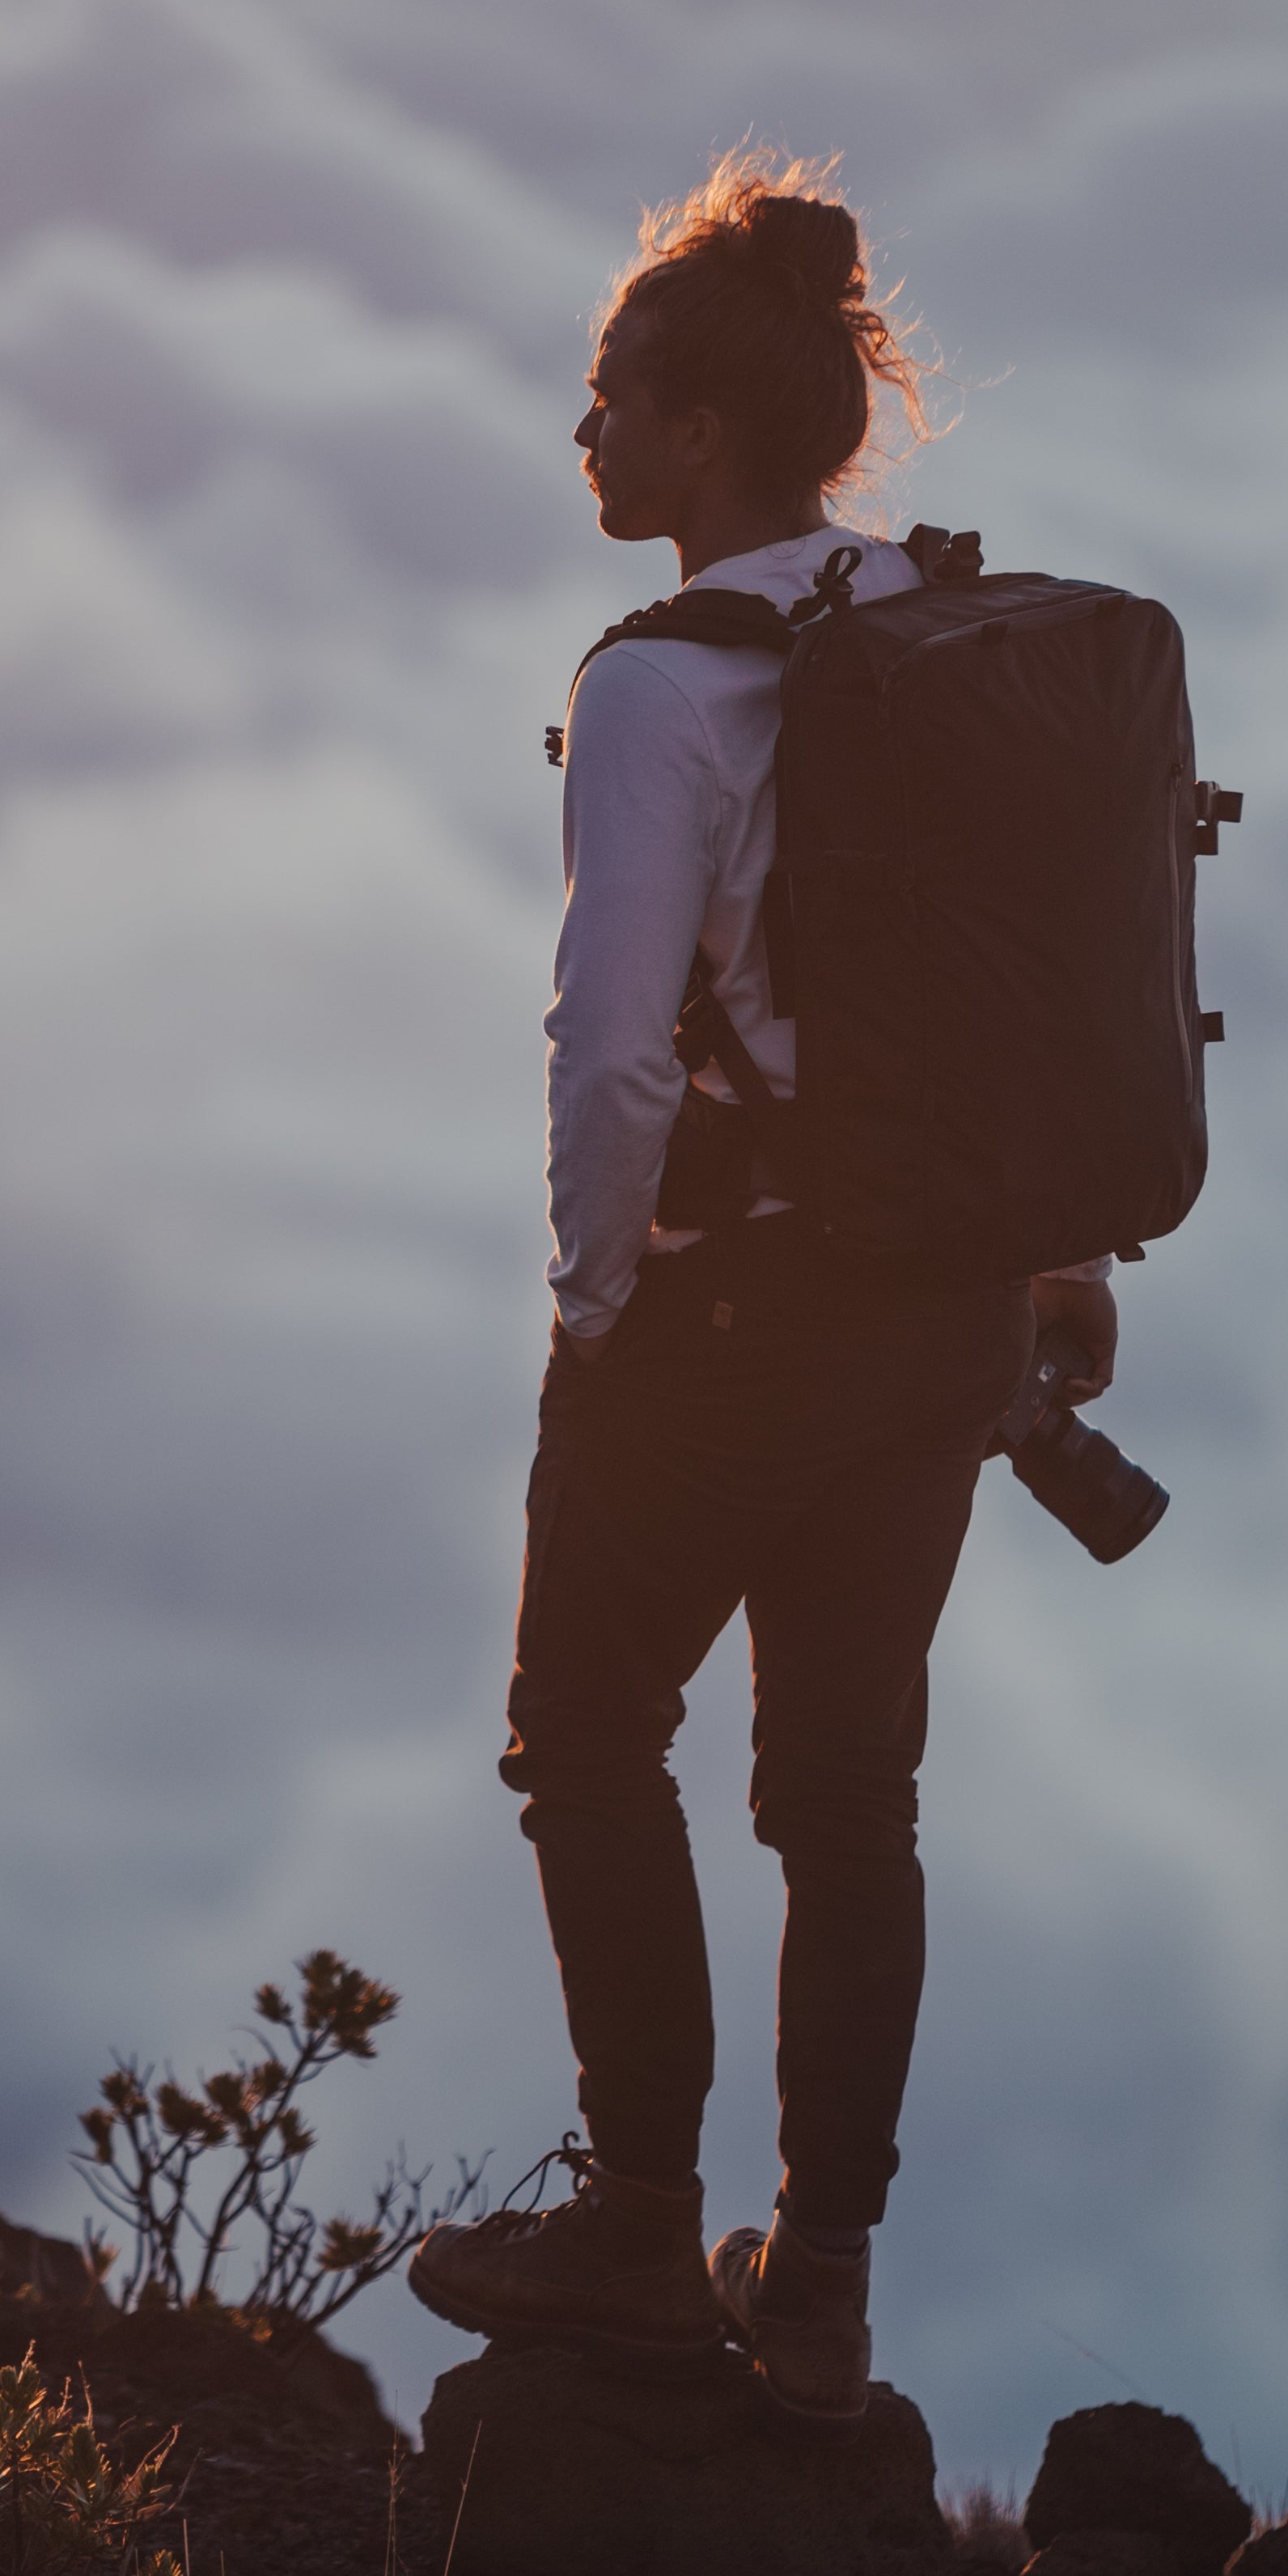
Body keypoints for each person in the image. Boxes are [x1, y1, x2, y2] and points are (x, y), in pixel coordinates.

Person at [404, 155, 1116, 2422]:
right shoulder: (941, 624)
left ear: (702, 433)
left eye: (609, 397)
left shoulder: (663, 686)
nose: (587, 438)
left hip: (724, 1316)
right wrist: (1051, 1248)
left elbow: (613, 1046)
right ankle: (817, 2285)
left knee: (592, 1742)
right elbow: (1023, 974)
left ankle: (631, 2226)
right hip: (941, 1315)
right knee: (847, 1799)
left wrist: (600, 1304)